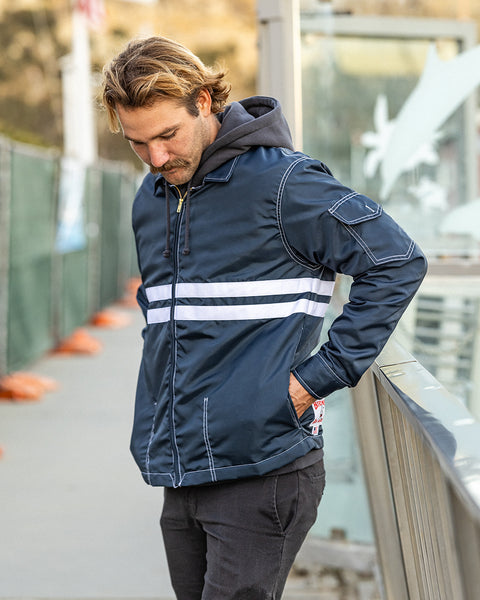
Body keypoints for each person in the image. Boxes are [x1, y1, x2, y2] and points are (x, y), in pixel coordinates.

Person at [101, 36, 427, 600]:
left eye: (167, 136)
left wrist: (312, 382)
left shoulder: (285, 184)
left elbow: (396, 262)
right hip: (182, 470)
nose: (156, 159)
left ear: (204, 101)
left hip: (263, 468)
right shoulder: (152, 197)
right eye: (138, 144)